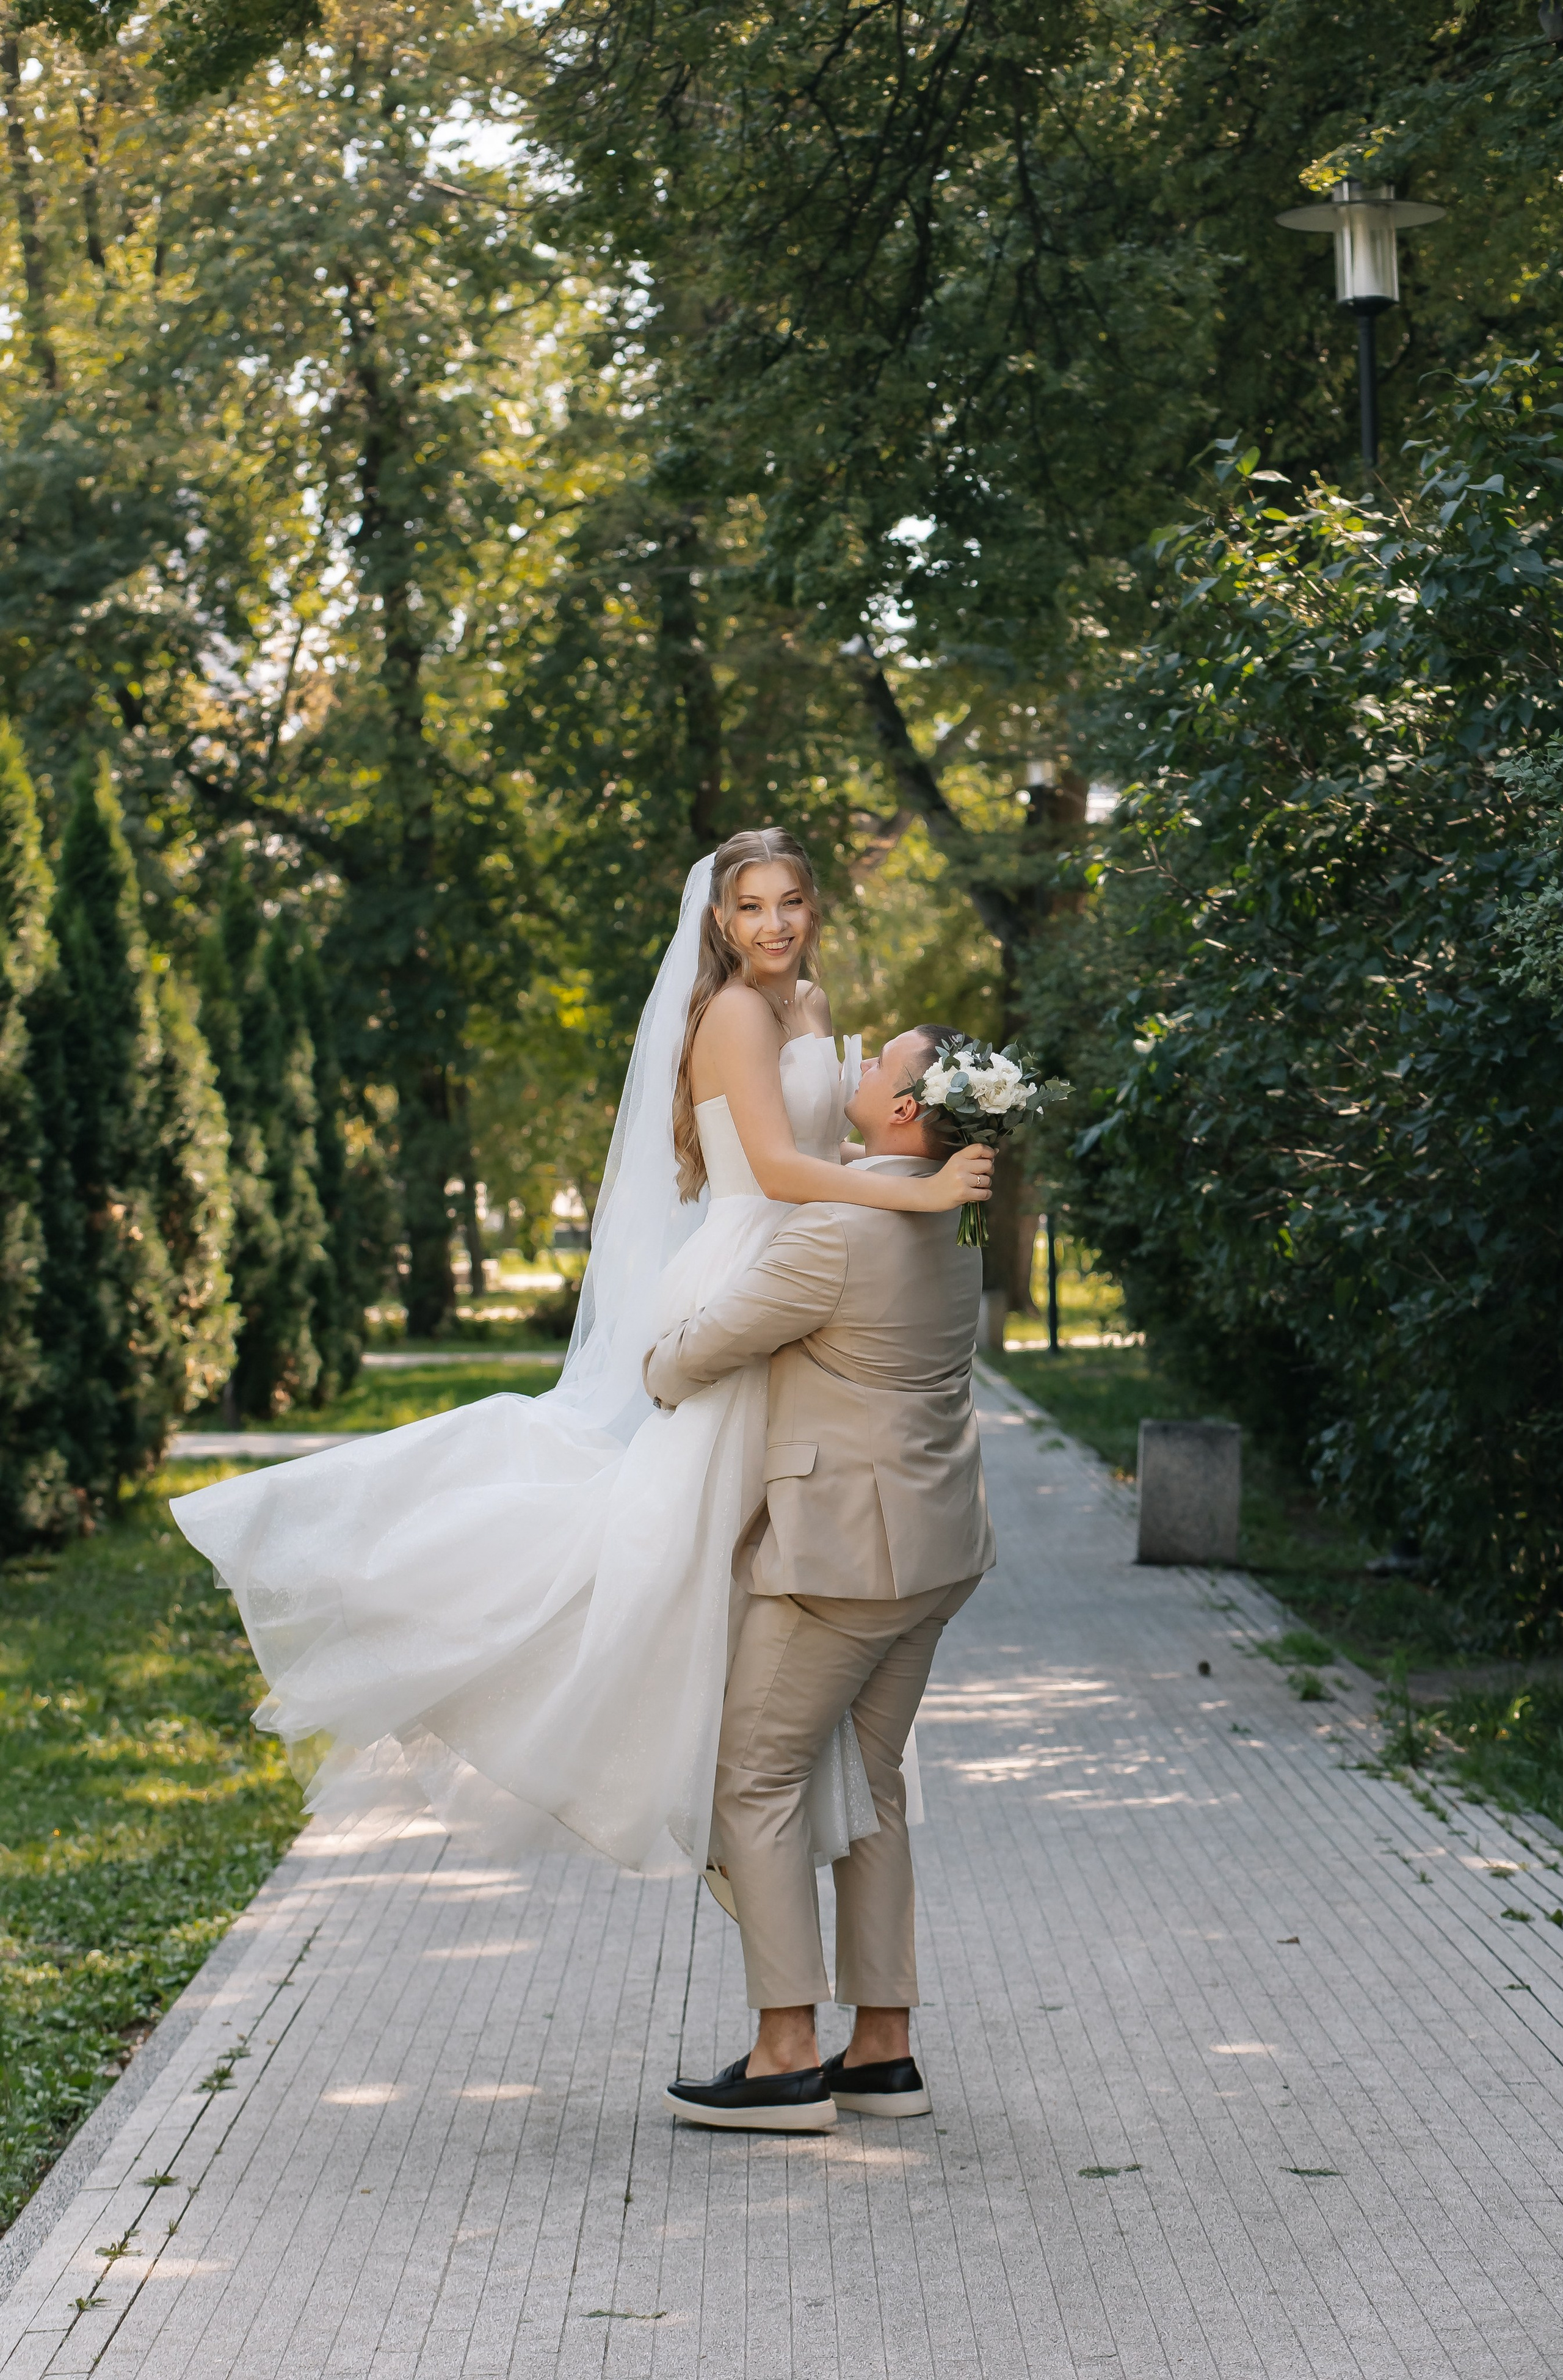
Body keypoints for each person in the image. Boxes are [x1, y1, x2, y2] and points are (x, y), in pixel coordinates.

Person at [169, 832, 991, 1889]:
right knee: (678, 1540)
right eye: (751, 908)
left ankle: (759, 1805)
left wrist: (880, 1203)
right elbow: (782, 1166)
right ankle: (673, 1767)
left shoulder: (813, 1006)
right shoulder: (735, 1011)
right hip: (749, 1254)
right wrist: (914, 1192)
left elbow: (826, 1157)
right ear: (720, 923)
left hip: (805, 1260)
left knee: (754, 1550)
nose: (775, 925)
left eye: (791, 902)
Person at [647, 1024, 996, 2134]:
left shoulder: (837, 1229)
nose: (854, 1066)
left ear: (905, 1112)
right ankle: (884, 2048)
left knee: (750, 1776)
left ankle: (786, 2053)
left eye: (878, 1062)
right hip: (937, 1552)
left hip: (843, 1560)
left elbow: (703, 1349)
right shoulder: (955, 1217)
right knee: (874, 1782)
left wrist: (650, 1362)